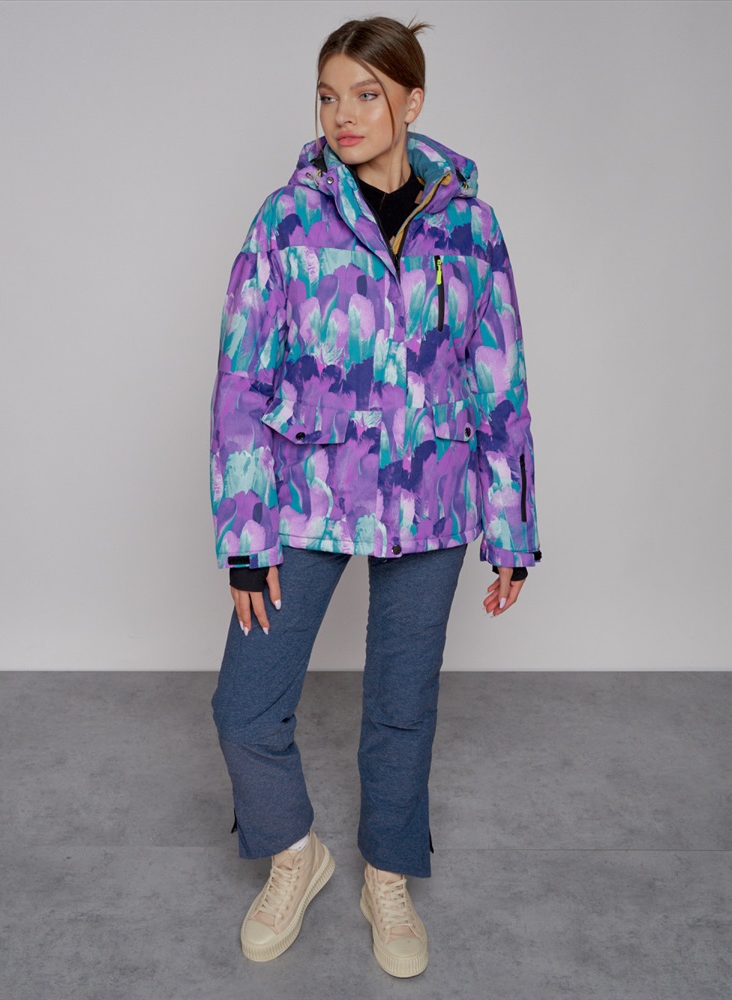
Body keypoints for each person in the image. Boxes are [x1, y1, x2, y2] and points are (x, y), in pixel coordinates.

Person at [209, 14, 542, 979]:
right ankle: (295, 855)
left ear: (412, 101)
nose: (342, 115)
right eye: (328, 95)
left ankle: (386, 874)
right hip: (307, 492)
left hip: (432, 497)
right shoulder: (286, 218)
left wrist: (512, 528)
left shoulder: (470, 226)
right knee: (244, 706)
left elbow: (500, 381)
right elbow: (241, 381)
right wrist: (245, 535)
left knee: (403, 707)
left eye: (366, 94)